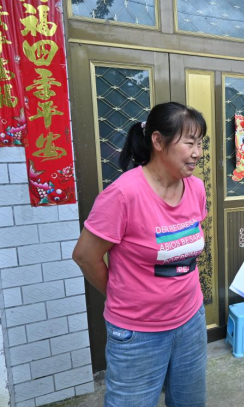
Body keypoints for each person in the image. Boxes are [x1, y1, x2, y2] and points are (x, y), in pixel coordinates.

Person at [73, 102, 209, 407]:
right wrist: (123, 294)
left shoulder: (196, 189)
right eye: (189, 143)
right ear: (158, 141)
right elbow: (85, 256)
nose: (197, 153)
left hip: (190, 321)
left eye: (200, 143)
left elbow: (189, 249)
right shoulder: (123, 194)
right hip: (138, 334)